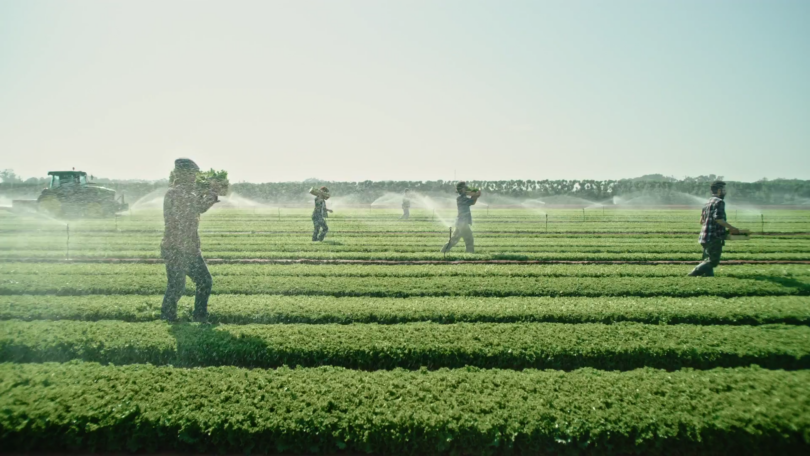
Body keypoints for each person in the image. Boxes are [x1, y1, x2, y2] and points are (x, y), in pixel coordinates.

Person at [160, 158, 219, 322]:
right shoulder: (177, 193)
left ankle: (192, 316)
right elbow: (196, 207)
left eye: (194, 173)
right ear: (181, 174)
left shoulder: (184, 192)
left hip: (185, 247)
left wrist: (209, 195)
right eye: (191, 173)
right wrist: (211, 195)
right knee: (181, 286)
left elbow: (197, 205)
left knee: (193, 283)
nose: (194, 177)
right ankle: (171, 317)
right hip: (178, 248)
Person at [688, 180, 742, 277]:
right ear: (719, 190)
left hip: (704, 236)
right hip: (714, 237)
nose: (726, 192)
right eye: (724, 189)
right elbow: (718, 219)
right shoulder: (720, 202)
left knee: (707, 259)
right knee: (713, 261)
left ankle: (709, 276)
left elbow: (701, 221)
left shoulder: (707, 202)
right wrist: (732, 228)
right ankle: (694, 273)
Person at [441, 181, 481, 254]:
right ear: (462, 189)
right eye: (465, 187)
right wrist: (476, 195)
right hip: (463, 223)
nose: (466, 188)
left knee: (454, 240)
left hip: (461, 223)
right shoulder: (460, 199)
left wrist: (476, 195)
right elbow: (472, 201)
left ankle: (443, 251)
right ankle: (470, 254)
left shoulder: (463, 198)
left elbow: (472, 202)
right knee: (469, 239)